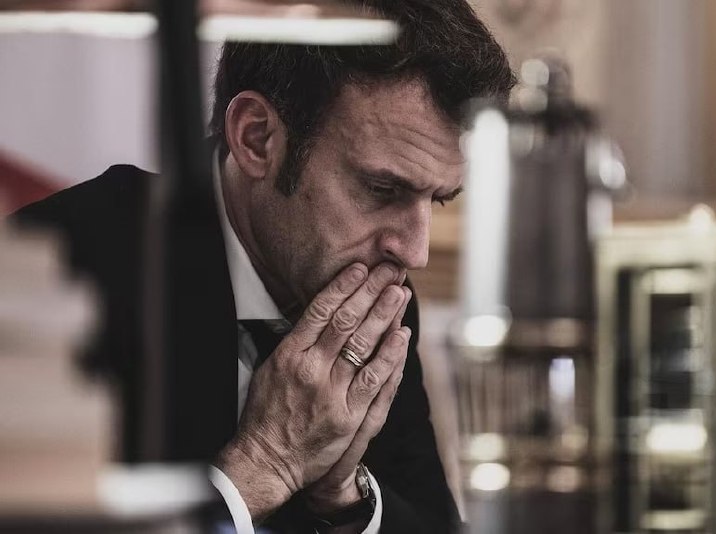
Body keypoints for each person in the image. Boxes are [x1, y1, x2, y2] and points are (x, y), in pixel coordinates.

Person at [11, 0, 514, 532]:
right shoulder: (58, 271)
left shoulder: (368, 297)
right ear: (257, 138)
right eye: (382, 189)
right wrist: (265, 464)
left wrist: (343, 496)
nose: (415, 252)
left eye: (438, 200)